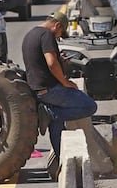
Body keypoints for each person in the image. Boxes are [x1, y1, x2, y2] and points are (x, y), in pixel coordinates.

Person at [22, 10, 96, 175]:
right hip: (51, 90)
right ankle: (50, 113)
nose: (58, 37)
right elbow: (51, 62)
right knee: (89, 106)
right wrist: (65, 82)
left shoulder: (30, 35)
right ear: (57, 25)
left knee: (57, 126)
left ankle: (63, 165)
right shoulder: (47, 35)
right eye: (60, 33)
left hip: (38, 91)